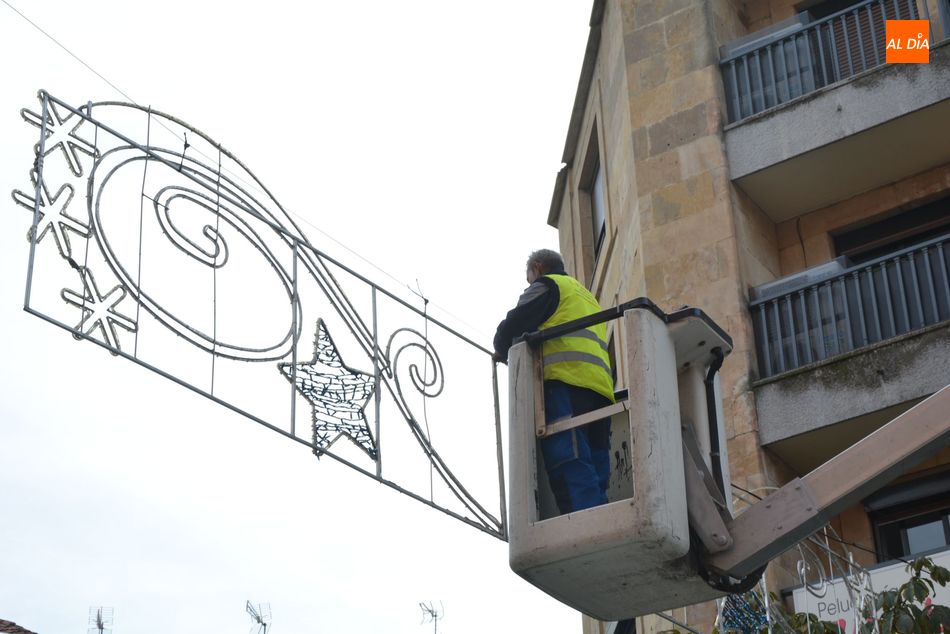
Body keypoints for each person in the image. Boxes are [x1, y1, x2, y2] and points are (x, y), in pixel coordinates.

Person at [494, 249, 614, 514]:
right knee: (597, 463)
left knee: (569, 458)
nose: (531, 284)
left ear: (538, 267)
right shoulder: (586, 295)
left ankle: (586, 526)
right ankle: (603, 518)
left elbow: (513, 324)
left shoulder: (548, 285)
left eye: (530, 279)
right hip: (601, 389)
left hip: (565, 381)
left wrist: (502, 348)